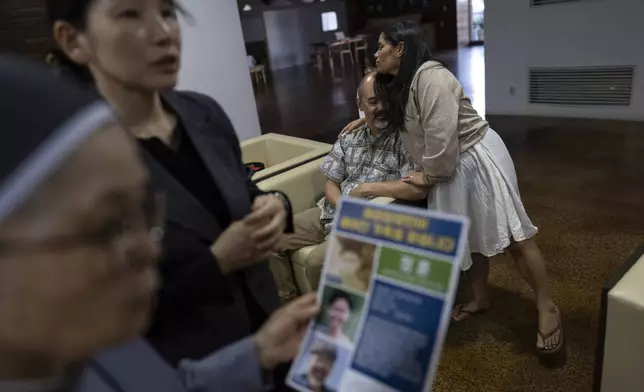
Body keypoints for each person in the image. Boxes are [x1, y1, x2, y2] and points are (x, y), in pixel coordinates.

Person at [0, 56, 319, 392]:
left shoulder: (105, 345)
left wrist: (258, 353)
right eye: (105, 227)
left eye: (144, 212)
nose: (148, 247)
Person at [45, 0, 296, 381]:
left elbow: (244, 190)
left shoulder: (203, 113)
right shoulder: (76, 166)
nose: (164, 33)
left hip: (277, 342)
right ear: (73, 40)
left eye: (167, 12)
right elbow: (103, 315)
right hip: (189, 368)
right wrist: (215, 264)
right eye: (130, 15)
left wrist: (276, 203)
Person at [340, 21, 564, 357]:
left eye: (381, 45)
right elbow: (400, 116)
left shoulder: (433, 78)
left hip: (474, 157)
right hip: (445, 167)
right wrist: (365, 118)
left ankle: (547, 307)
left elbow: (444, 145)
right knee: (467, 234)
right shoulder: (402, 81)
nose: (376, 53)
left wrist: (427, 178)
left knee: (515, 237)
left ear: (400, 48)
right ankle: (479, 297)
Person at [269, 72, 428, 301]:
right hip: (331, 210)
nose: (381, 107)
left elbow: (416, 189)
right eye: (373, 102)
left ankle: (329, 324)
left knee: (317, 262)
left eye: (385, 100)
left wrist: (368, 189)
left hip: (368, 219)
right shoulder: (350, 136)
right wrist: (342, 204)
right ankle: (291, 308)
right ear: (360, 104)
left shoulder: (403, 140)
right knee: (271, 238)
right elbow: (331, 183)